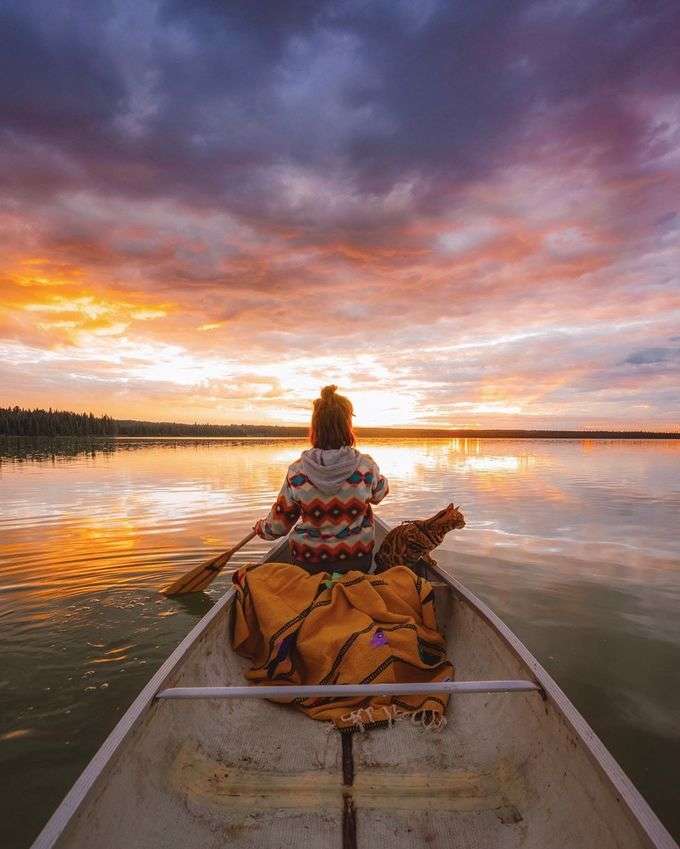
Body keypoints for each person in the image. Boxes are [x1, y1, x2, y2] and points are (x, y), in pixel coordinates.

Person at [253, 385, 389, 573]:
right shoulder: (366, 467)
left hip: (309, 562)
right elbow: (379, 495)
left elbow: (279, 526)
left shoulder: (297, 471)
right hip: (355, 560)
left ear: (315, 427)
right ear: (347, 426)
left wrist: (262, 528)